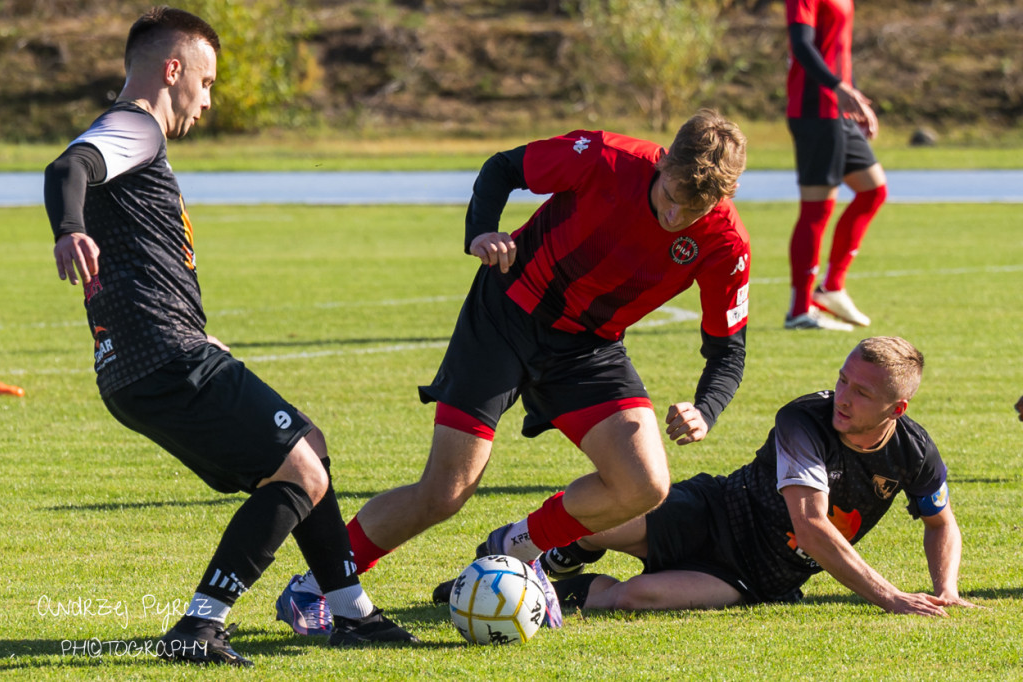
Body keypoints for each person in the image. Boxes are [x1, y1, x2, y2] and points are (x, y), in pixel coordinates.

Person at [42, 7, 415, 666]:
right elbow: (67, 168)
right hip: (160, 357)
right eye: (207, 82)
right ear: (173, 69)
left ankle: (352, 612)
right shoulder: (135, 126)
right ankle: (199, 625)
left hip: (159, 354)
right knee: (298, 467)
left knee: (309, 447)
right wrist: (69, 227)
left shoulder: (134, 135)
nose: (208, 101)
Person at [279, 109, 752, 624]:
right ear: (662, 163)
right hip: (506, 314)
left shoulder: (727, 245)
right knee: (444, 492)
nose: (675, 218)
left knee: (645, 484)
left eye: (692, 212)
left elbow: (729, 349)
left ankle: (516, 548)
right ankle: (315, 586)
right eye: (670, 198)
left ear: (722, 200)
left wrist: (706, 409)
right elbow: (503, 168)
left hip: (587, 349)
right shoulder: (604, 158)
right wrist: (481, 232)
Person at [523, 337, 975, 618]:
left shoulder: (914, 452)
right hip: (714, 510)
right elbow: (812, 528)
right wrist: (892, 597)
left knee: (630, 599)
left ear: (896, 409)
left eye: (862, 392)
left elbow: (941, 522)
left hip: (755, 576)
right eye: (842, 381)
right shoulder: (804, 420)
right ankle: (556, 552)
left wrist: (946, 590)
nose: (843, 397)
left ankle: (542, 594)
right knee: (597, 520)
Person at [784, 0, 888, 331]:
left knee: (873, 190)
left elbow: (838, 50)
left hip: (839, 109)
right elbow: (801, 45)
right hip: (814, 109)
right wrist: (838, 87)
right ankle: (800, 310)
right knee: (817, 210)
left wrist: (852, 97)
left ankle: (832, 288)